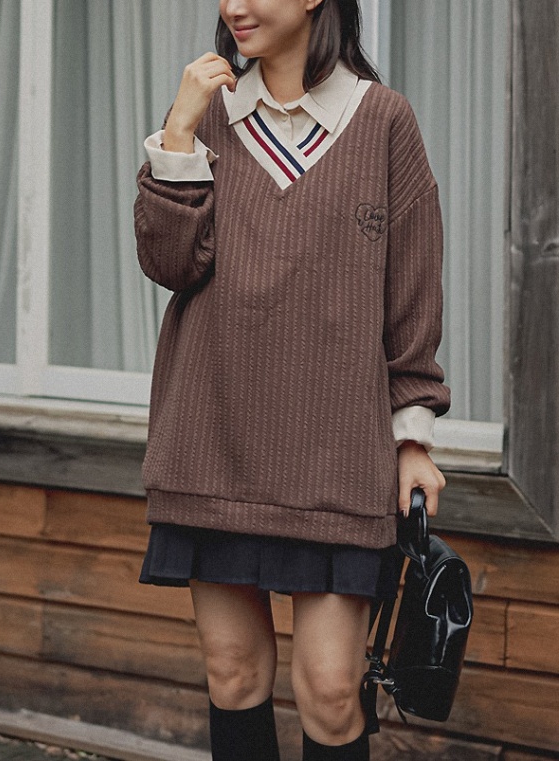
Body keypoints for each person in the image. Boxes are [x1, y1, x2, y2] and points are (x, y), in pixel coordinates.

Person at [134, 0, 450, 758]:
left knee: (333, 694)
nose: (233, 6)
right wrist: (178, 136)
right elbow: (170, 265)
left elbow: (410, 296)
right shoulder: (209, 117)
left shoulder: (383, 120)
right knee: (233, 674)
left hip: (337, 456)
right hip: (212, 441)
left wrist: (413, 437)